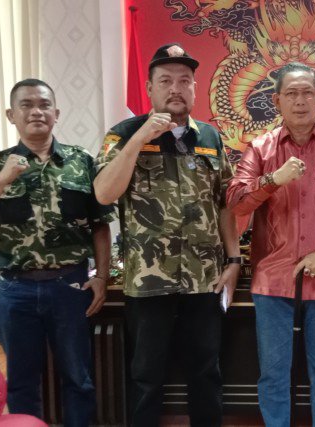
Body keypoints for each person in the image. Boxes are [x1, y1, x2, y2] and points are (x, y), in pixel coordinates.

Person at [93, 43, 240, 427]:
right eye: (165, 81)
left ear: (194, 88)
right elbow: (105, 193)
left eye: (184, 80)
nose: (175, 88)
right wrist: (140, 138)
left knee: (206, 371)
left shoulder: (210, 137)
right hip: (148, 281)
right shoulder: (123, 134)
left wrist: (234, 260)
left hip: (203, 279)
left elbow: (225, 204)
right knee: (146, 376)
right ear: (149, 88)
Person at [0, 78, 114, 427]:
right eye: (26, 105)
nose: (36, 112)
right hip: (16, 290)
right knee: (22, 382)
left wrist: (102, 277)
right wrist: (2, 179)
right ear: (11, 115)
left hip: (70, 286)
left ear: (56, 113)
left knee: (79, 377)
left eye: (44, 105)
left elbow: (100, 225)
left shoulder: (81, 162)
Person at [226, 62, 315, 427]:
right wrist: (273, 179)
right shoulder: (260, 148)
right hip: (273, 282)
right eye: (291, 94)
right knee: (273, 374)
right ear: (277, 101)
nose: (300, 101)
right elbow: (237, 202)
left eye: (307, 93)